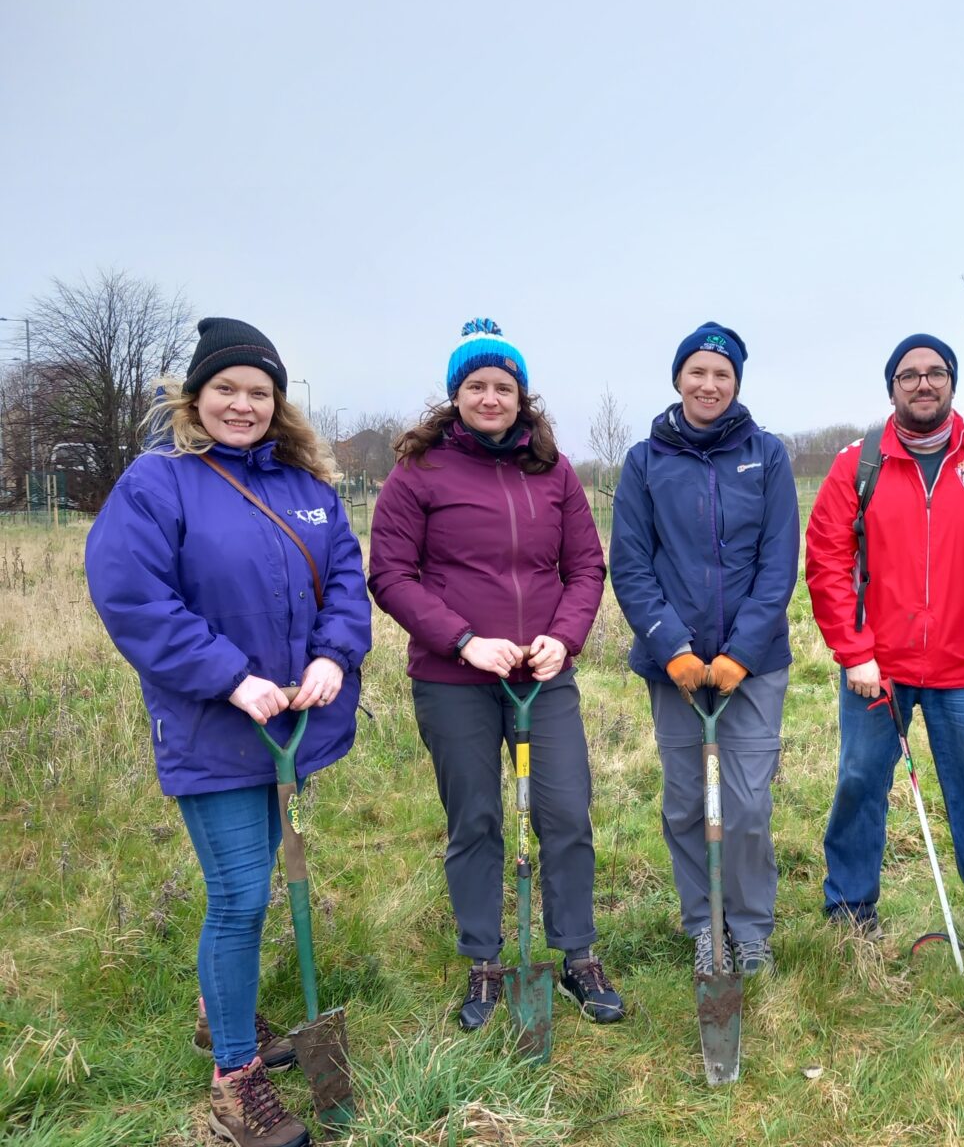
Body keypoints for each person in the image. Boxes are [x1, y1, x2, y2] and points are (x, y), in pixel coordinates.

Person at [86, 317, 371, 1147]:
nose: (242, 405)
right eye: (226, 390)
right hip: (213, 726)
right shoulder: (157, 483)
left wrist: (334, 655)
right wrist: (230, 676)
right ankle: (236, 1083)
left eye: (259, 392)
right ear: (196, 395)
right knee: (242, 895)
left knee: (258, 887)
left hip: (293, 725)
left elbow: (347, 581)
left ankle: (223, 1014)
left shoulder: (306, 486)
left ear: (277, 402)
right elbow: (132, 595)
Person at [368, 319, 623, 1029]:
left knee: (566, 814)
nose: (489, 397)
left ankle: (577, 954)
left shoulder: (556, 471)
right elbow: (389, 574)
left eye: (502, 386)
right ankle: (485, 960)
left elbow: (584, 568)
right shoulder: (419, 473)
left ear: (521, 395)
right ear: (455, 396)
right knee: (476, 820)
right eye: (475, 386)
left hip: (543, 679)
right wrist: (463, 640)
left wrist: (562, 639)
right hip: (455, 681)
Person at [804, 333, 964, 967]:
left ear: (952, 384)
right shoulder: (858, 464)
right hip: (875, 670)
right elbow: (827, 561)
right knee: (859, 783)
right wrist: (853, 651)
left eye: (935, 373)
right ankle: (851, 910)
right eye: (908, 375)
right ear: (892, 388)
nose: (922, 384)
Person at [609, 322, 799, 977]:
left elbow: (778, 564)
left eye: (722, 374)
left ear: (736, 384)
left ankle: (748, 928)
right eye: (697, 372)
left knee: (746, 804)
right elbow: (631, 566)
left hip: (754, 667)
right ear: (678, 380)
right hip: (677, 671)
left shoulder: (766, 455)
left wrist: (742, 653)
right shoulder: (645, 461)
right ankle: (703, 924)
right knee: (687, 801)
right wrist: (673, 651)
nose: (709, 384)